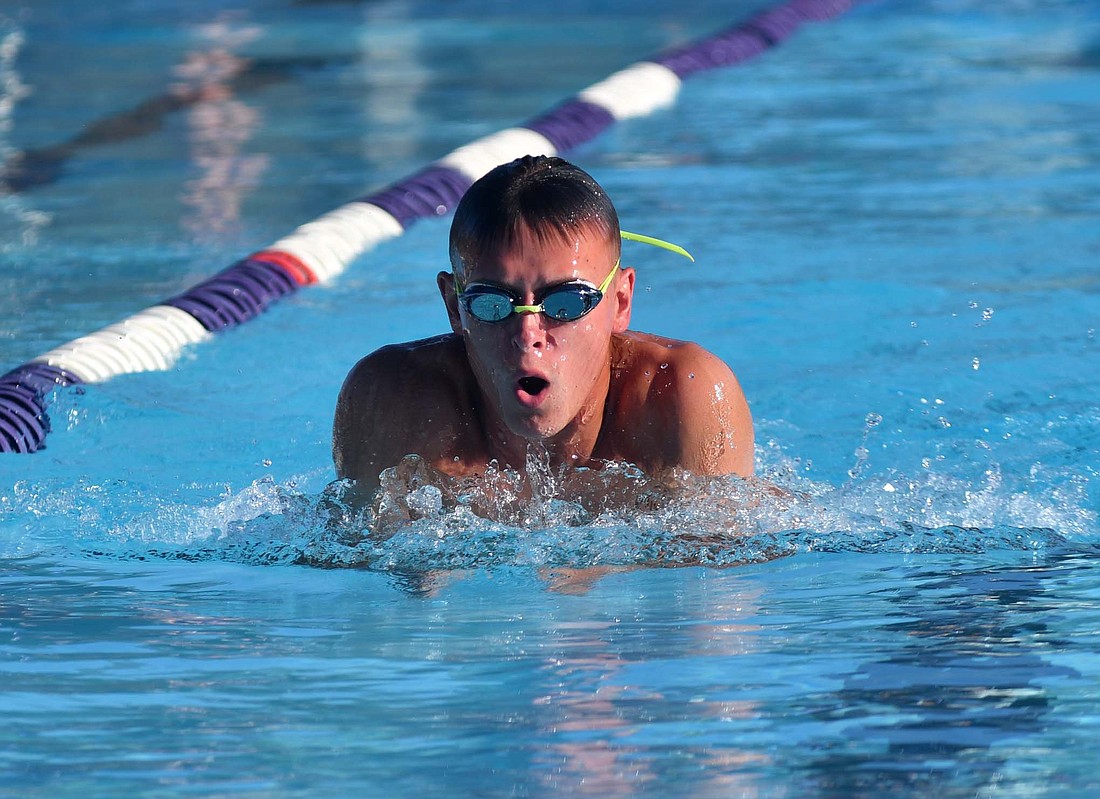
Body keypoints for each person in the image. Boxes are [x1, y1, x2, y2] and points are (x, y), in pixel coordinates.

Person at [332, 155, 753, 513]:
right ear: (453, 306)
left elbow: (719, 591)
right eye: (493, 304)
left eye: (566, 302)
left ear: (620, 301)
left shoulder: (683, 394)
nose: (527, 332)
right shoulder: (393, 399)